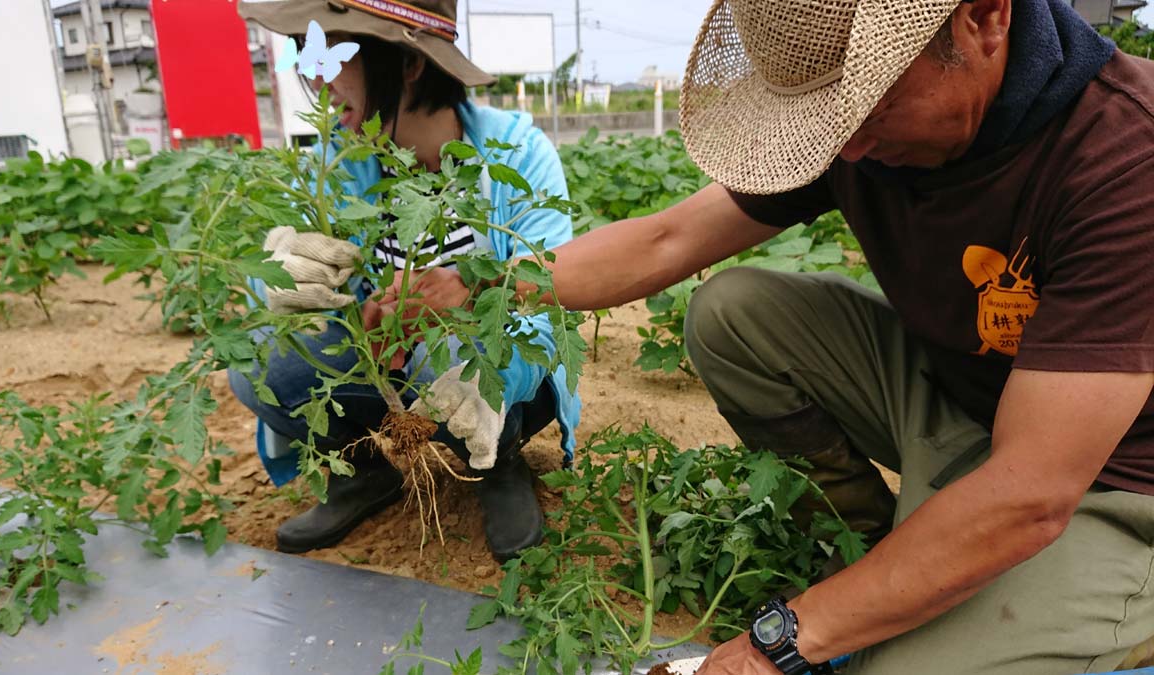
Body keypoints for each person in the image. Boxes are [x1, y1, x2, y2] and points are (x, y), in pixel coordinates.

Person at [436, 0, 1150, 672]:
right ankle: (882, 548)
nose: (848, 142)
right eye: (827, 116)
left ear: (986, 17)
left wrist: (778, 641)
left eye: (870, 102)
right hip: (970, 404)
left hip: (1111, 482)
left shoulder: (1124, 157)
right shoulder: (858, 137)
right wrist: (475, 283)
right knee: (733, 315)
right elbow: (666, 239)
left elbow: (1030, 493)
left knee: (889, 662)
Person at [229, 0, 580, 563]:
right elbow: (285, 292)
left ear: (409, 65)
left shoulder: (515, 154)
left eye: (333, 53)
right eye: (307, 53)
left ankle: (499, 459)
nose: (316, 82)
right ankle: (361, 474)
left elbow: (551, 294)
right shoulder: (338, 164)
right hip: (389, 371)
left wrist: (482, 348)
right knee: (258, 358)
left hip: (491, 375)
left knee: (468, 358)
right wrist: (283, 279)